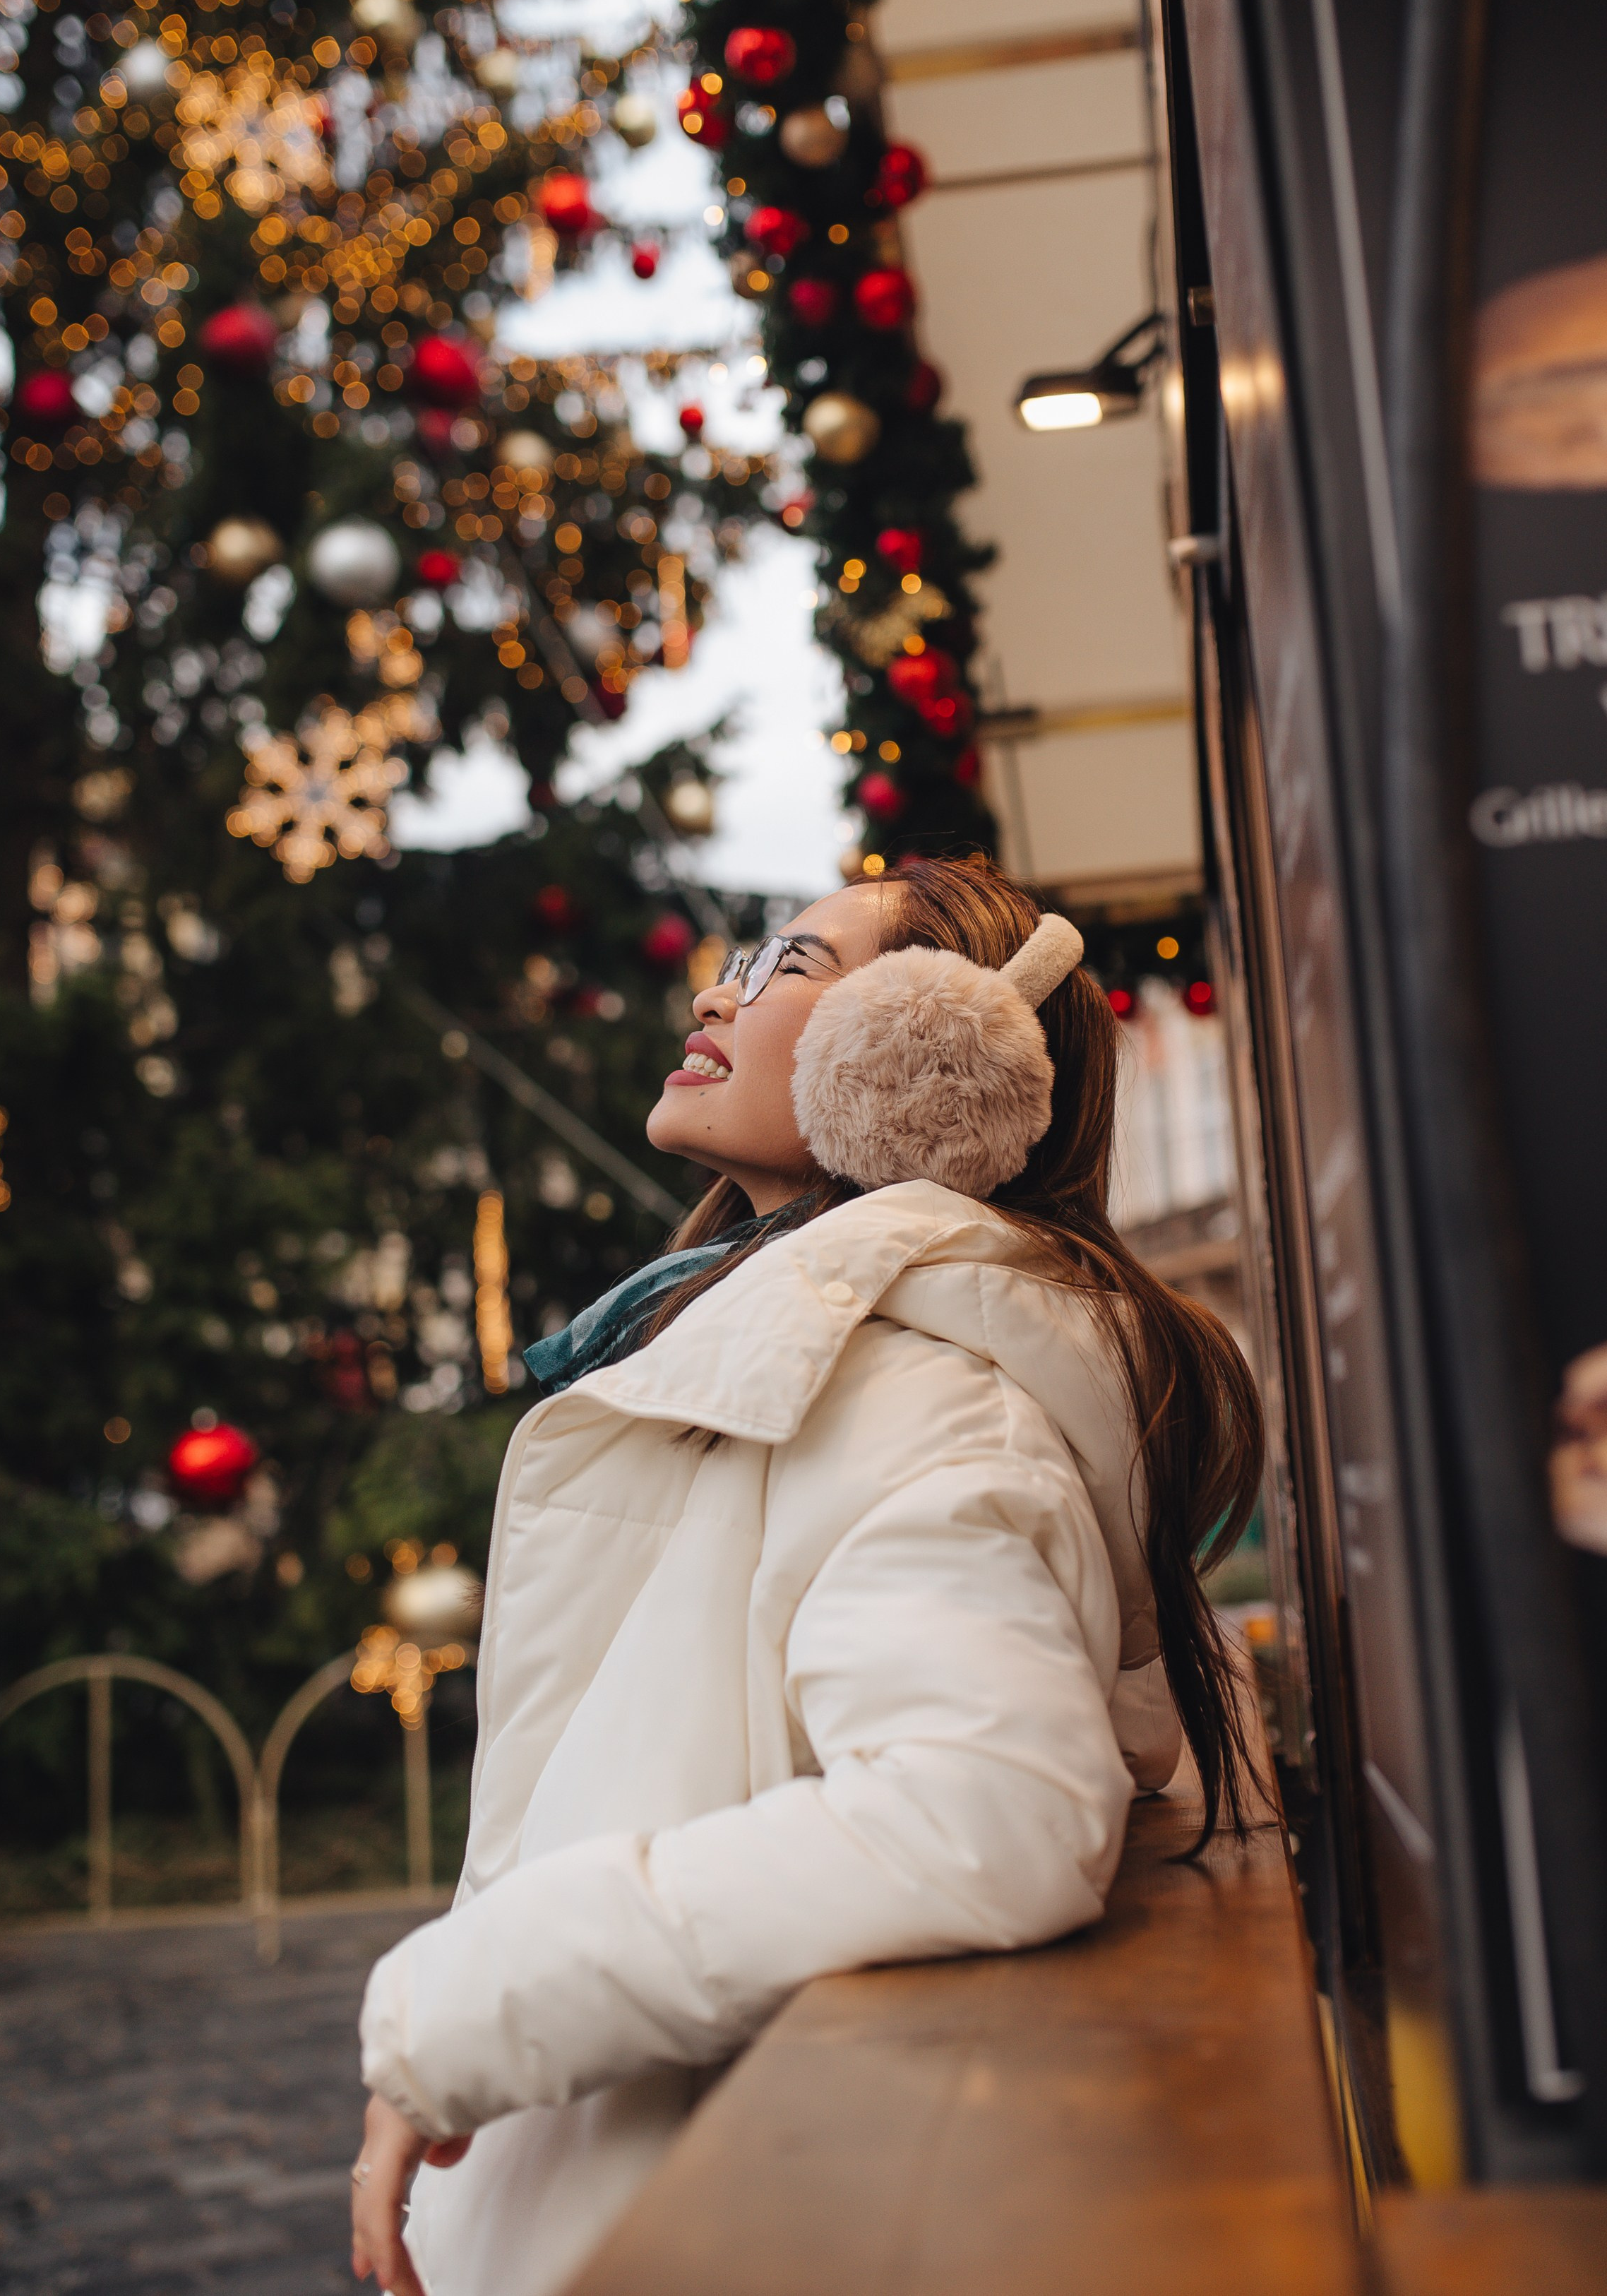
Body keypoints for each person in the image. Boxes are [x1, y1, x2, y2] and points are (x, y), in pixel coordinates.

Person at [350, 855, 1263, 2296]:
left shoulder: (912, 1395)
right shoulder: (793, 1357)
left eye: (791, 964)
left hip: (689, 2222)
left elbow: (989, 1811)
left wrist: (476, 2005)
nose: (717, 988)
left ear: (922, 1056)